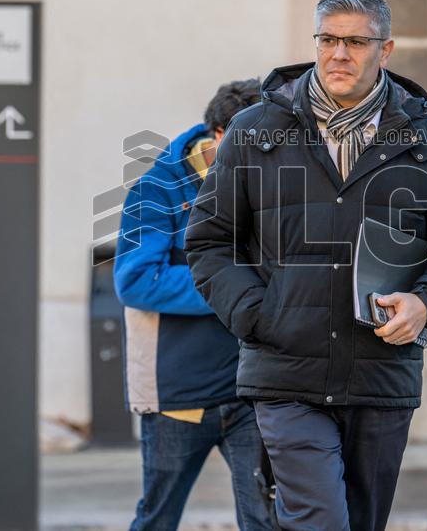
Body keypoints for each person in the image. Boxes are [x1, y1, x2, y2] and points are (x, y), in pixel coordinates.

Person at [184, 0, 427, 530]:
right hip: (285, 371)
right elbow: (209, 241)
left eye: (355, 42)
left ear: (385, 50)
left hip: (381, 374)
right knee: (320, 522)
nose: (338, 54)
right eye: (327, 39)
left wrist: (426, 302)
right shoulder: (255, 132)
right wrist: (258, 314)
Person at [113, 79, 272, 531]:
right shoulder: (154, 190)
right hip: (177, 396)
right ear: (218, 136)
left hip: (252, 391)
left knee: (266, 519)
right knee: (157, 520)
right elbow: (136, 282)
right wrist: (234, 285)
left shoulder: (269, 183)